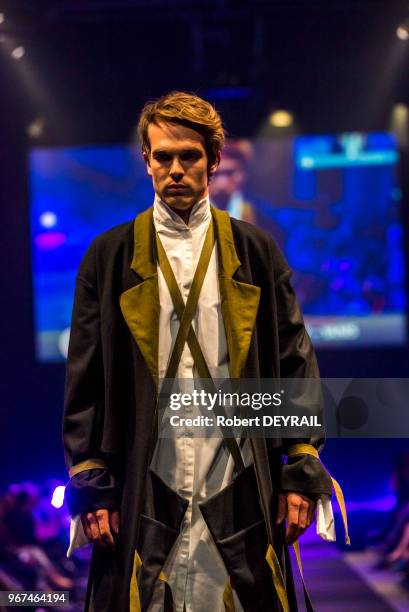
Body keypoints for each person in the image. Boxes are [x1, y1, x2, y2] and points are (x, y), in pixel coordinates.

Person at [62, 91, 335, 612]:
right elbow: (85, 379)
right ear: (146, 161)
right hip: (144, 482)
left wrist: (299, 465)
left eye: (189, 155)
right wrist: (92, 481)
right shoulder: (108, 256)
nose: (176, 169)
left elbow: (295, 363)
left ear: (213, 158)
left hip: (238, 480)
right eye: (162, 156)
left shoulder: (255, 250)